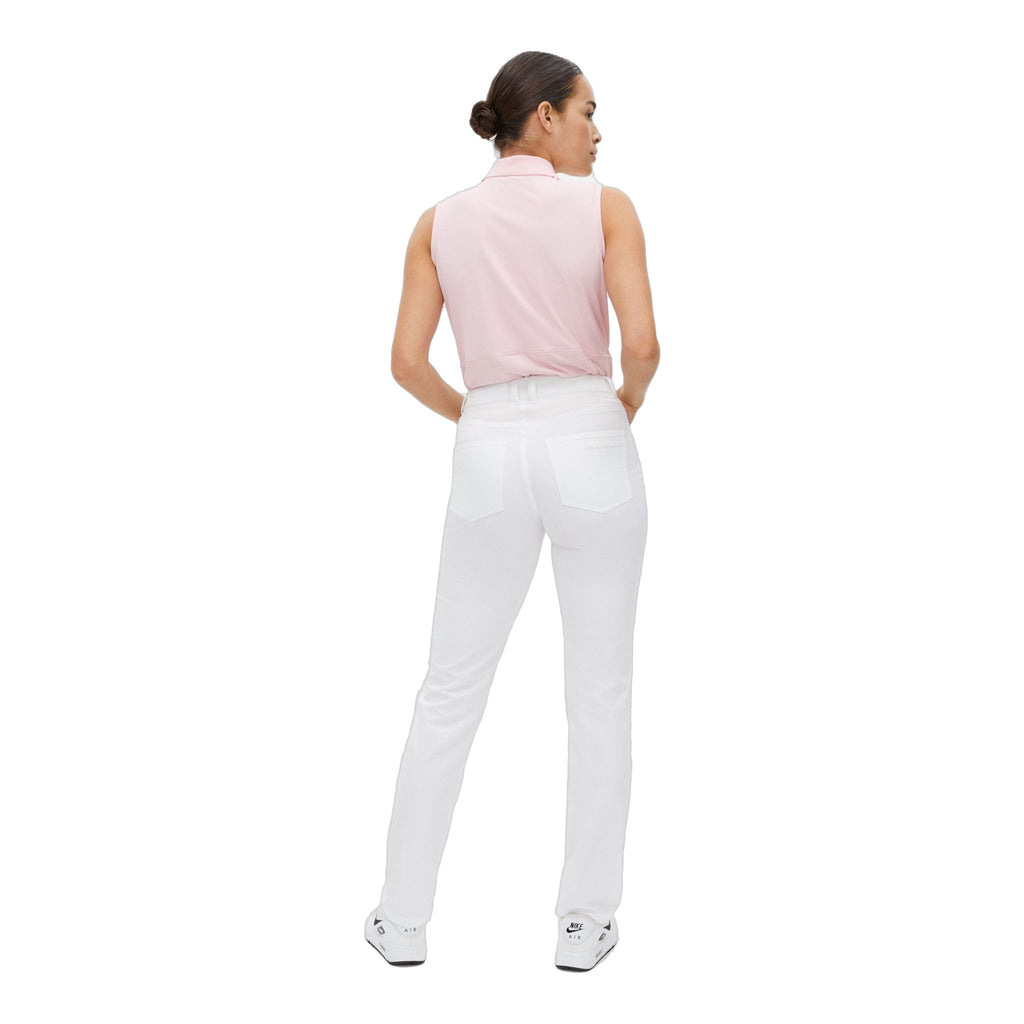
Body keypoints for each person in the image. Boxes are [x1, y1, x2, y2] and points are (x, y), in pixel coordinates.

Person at [365, 50, 660, 971]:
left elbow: (406, 362)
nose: (598, 131)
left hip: (487, 443)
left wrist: (477, 417)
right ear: (543, 116)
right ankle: (584, 922)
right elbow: (643, 347)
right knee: (599, 690)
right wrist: (621, 407)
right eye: (587, 111)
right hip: (589, 433)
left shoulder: (438, 221)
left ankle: (401, 919)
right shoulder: (607, 206)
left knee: (450, 686)